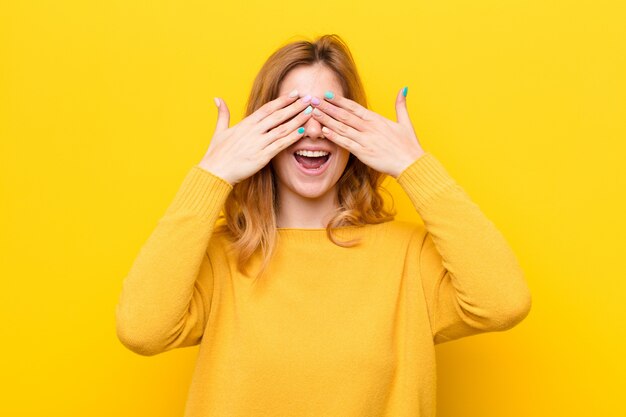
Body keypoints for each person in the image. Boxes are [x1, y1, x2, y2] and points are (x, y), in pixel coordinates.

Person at [115, 34, 532, 417]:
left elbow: (503, 303)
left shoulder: (409, 258)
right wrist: (213, 173)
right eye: (293, 113)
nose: (313, 130)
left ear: (357, 128)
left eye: (330, 113)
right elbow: (142, 331)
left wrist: (413, 166)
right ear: (261, 130)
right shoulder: (219, 259)